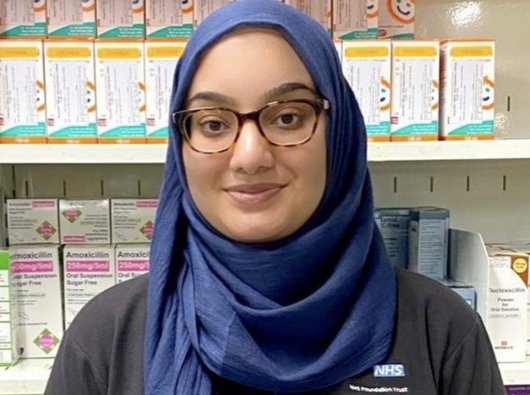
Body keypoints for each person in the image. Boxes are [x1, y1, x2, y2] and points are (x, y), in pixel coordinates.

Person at [45, 0, 505, 394]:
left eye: (287, 117)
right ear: (180, 145)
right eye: (213, 123)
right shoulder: (108, 336)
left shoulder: (439, 329)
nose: (249, 156)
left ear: (339, 134)